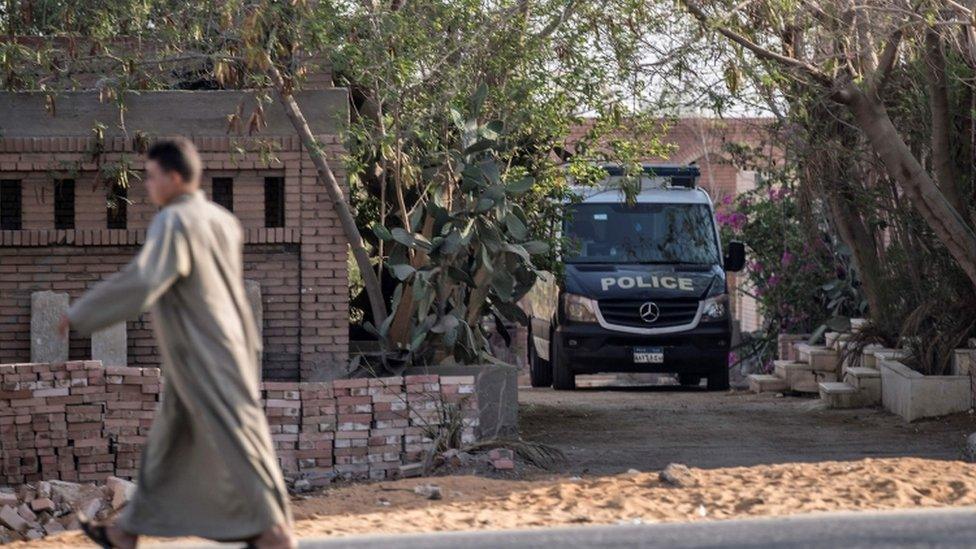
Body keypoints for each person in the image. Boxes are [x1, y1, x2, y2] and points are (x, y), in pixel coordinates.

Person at [59, 138, 295, 549]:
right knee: (165, 448)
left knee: (240, 444)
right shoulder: (223, 220)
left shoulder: (174, 221)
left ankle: (274, 534)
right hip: (223, 351)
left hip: (204, 357)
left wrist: (81, 314)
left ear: (173, 177)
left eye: (150, 177)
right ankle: (124, 532)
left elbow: (145, 279)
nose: (147, 186)